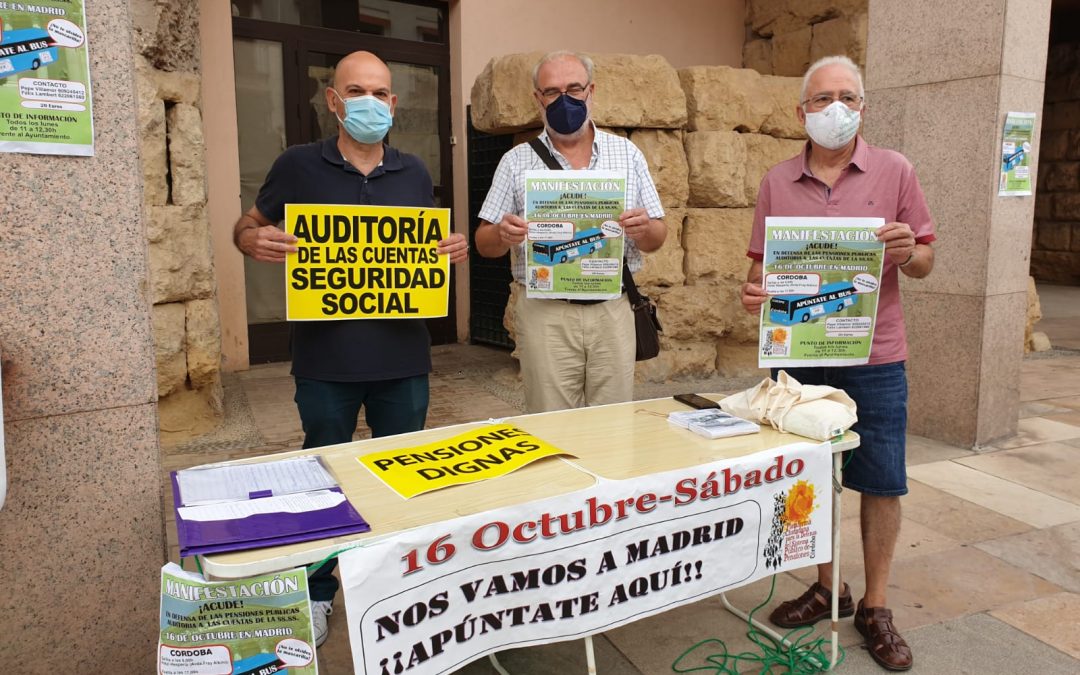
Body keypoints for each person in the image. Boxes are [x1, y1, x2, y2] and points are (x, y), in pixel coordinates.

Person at [233, 50, 468, 647]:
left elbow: (424, 249)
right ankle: (316, 594)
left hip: (403, 362)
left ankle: (392, 590)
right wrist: (252, 239)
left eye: (382, 93)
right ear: (334, 101)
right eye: (357, 91)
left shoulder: (415, 172)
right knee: (322, 484)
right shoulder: (296, 166)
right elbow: (246, 224)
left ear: (394, 103)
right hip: (325, 363)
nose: (371, 102)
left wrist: (446, 254)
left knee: (402, 480)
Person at [739, 55, 936, 672]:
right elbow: (757, 269)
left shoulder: (896, 170)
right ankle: (830, 587)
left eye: (846, 97)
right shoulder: (776, 181)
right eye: (822, 98)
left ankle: (876, 605)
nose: (834, 108)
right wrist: (754, 292)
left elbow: (926, 257)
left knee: (880, 479)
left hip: (876, 355)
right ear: (801, 112)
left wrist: (909, 252)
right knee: (816, 474)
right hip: (800, 357)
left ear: (862, 107)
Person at [475, 50, 666, 413]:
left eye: (574, 89)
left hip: (612, 308)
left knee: (613, 421)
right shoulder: (516, 160)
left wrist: (643, 229)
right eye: (551, 91)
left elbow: (658, 236)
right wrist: (502, 234)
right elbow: (484, 242)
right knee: (551, 422)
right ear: (538, 99)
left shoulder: (627, 153)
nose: (564, 99)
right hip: (546, 312)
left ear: (591, 91)